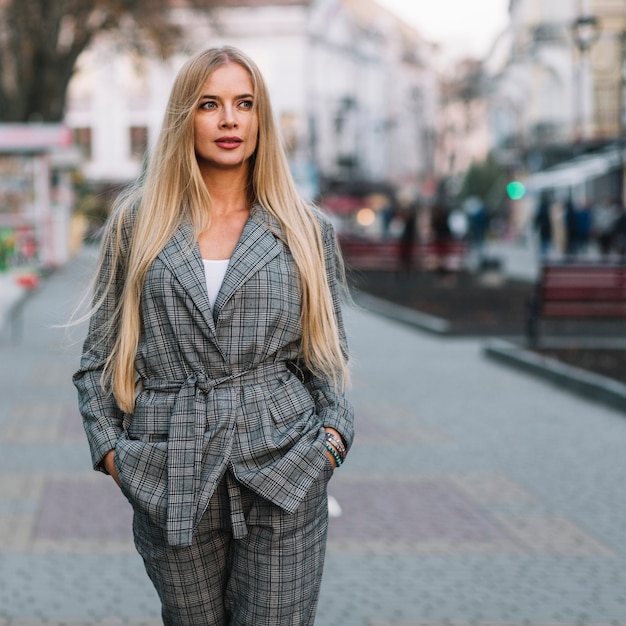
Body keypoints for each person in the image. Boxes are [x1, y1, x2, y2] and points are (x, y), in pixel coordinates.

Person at [72, 46, 354, 626]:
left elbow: (327, 357)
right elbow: (97, 360)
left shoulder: (305, 228)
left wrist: (330, 442)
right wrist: (113, 455)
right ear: (185, 118)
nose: (229, 120)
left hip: (286, 463)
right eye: (210, 104)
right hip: (168, 465)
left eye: (244, 104)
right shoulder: (137, 222)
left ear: (260, 119)